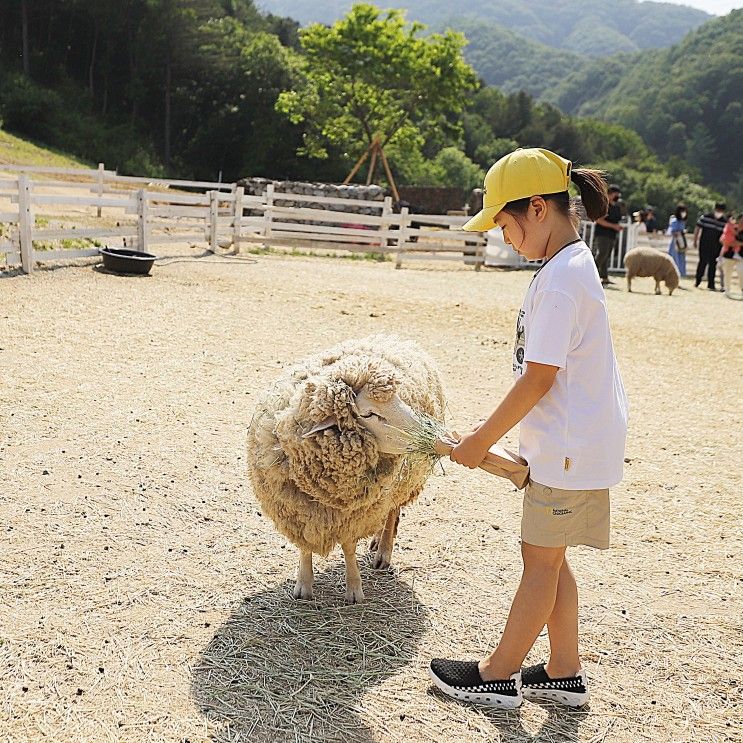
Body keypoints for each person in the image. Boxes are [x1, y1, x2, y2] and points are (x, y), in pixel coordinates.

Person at [428, 148, 628, 709]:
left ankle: (497, 675)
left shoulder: (562, 278)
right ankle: (564, 670)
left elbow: (540, 377)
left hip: (568, 448)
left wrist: (479, 442)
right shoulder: (566, 265)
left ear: (537, 208)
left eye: (505, 224)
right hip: (571, 443)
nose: (504, 237)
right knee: (552, 555)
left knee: (539, 560)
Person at [592, 184, 622, 286]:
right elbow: (599, 220)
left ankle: (604, 278)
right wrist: (614, 226)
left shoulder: (616, 207)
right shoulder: (604, 205)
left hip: (611, 235)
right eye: (615, 194)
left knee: (606, 256)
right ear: (610, 194)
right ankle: (591, 274)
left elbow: (615, 220)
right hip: (602, 234)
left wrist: (617, 227)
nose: (617, 196)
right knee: (602, 254)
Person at [694, 202, 727, 291]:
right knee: (702, 262)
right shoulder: (705, 217)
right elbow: (697, 228)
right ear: (714, 209)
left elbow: (725, 235)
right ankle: (698, 280)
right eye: (717, 210)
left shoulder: (724, 222)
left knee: (713, 265)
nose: (719, 212)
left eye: (721, 211)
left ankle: (711, 284)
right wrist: (695, 240)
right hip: (704, 244)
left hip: (717, 246)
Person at [719, 213, 743, 299]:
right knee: (727, 273)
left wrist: (735, 243)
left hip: (741, 255)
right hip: (728, 254)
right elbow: (723, 239)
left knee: (741, 272)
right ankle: (727, 291)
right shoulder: (731, 227)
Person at [666, 203, 688, 277]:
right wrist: (680, 232)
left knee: (681, 258)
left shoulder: (683, 222)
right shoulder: (674, 221)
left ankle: (681, 274)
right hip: (675, 242)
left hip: (681, 241)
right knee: (674, 257)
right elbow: (672, 231)